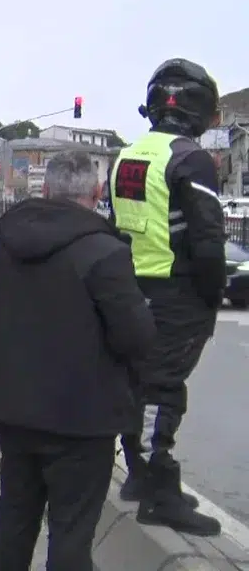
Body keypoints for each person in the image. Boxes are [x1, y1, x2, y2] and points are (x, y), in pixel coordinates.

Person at [0, 150, 156, 571]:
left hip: (16, 415)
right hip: (85, 424)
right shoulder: (106, 253)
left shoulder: (4, 246)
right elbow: (137, 339)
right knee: (71, 532)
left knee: (15, 516)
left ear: (45, 190)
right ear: (98, 192)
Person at [107, 58, 225, 536]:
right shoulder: (190, 158)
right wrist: (213, 296)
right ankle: (159, 493)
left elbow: (114, 225)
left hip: (132, 289)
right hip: (177, 293)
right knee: (164, 392)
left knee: (140, 387)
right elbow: (208, 240)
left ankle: (139, 477)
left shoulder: (128, 155)